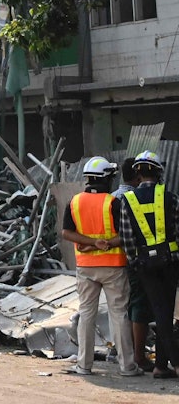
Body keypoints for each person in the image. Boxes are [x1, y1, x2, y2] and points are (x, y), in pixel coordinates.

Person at [59, 155, 139, 377]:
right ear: (107, 178)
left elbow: (66, 233)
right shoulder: (114, 203)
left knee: (86, 314)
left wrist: (91, 244)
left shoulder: (74, 202)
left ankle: (84, 365)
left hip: (85, 267)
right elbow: (126, 235)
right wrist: (103, 244)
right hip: (113, 266)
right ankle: (127, 366)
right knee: (119, 315)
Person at [115, 151, 179, 379]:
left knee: (160, 313)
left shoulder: (127, 201)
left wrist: (135, 261)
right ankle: (173, 362)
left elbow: (126, 236)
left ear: (138, 173)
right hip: (170, 263)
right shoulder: (169, 197)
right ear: (158, 172)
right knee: (165, 312)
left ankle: (162, 367)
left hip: (143, 265)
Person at [114, 157, 155, 371]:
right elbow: (126, 235)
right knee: (139, 306)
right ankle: (137, 356)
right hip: (134, 261)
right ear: (137, 176)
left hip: (113, 262)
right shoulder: (132, 198)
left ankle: (126, 352)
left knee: (122, 309)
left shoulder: (113, 198)